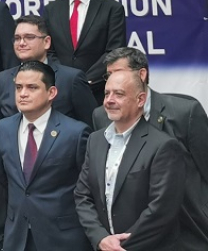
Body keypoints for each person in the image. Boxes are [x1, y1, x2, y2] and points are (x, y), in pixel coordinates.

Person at [92, 48, 208, 250]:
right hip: (127, 233)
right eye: (108, 75)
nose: (112, 80)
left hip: (184, 228)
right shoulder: (101, 116)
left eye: (118, 72)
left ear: (142, 74)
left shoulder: (184, 112)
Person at [74, 70, 186, 251]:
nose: (109, 100)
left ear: (140, 100)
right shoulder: (95, 140)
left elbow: (161, 210)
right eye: (107, 93)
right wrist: (100, 238)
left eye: (119, 94)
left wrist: (119, 246)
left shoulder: (163, 146)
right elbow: (82, 195)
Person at [0, 61, 90, 251]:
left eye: (32, 87)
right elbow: (0, 181)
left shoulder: (75, 133)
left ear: (51, 92)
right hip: (16, 236)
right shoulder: (3, 128)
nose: (23, 94)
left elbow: (86, 188)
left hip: (62, 238)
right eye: (18, 87)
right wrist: (0, 234)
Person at [44, 0, 126, 104]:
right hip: (61, 91)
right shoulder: (52, 10)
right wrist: (63, 79)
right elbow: (49, 51)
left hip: (97, 91)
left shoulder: (111, 9)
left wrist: (83, 81)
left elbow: (114, 51)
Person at [0, 15, 96, 126]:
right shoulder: (1, 80)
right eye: (17, 38)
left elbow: (90, 124)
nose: (21, 43)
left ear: (46, 42)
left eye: (29, 37)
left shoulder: (71, 79)